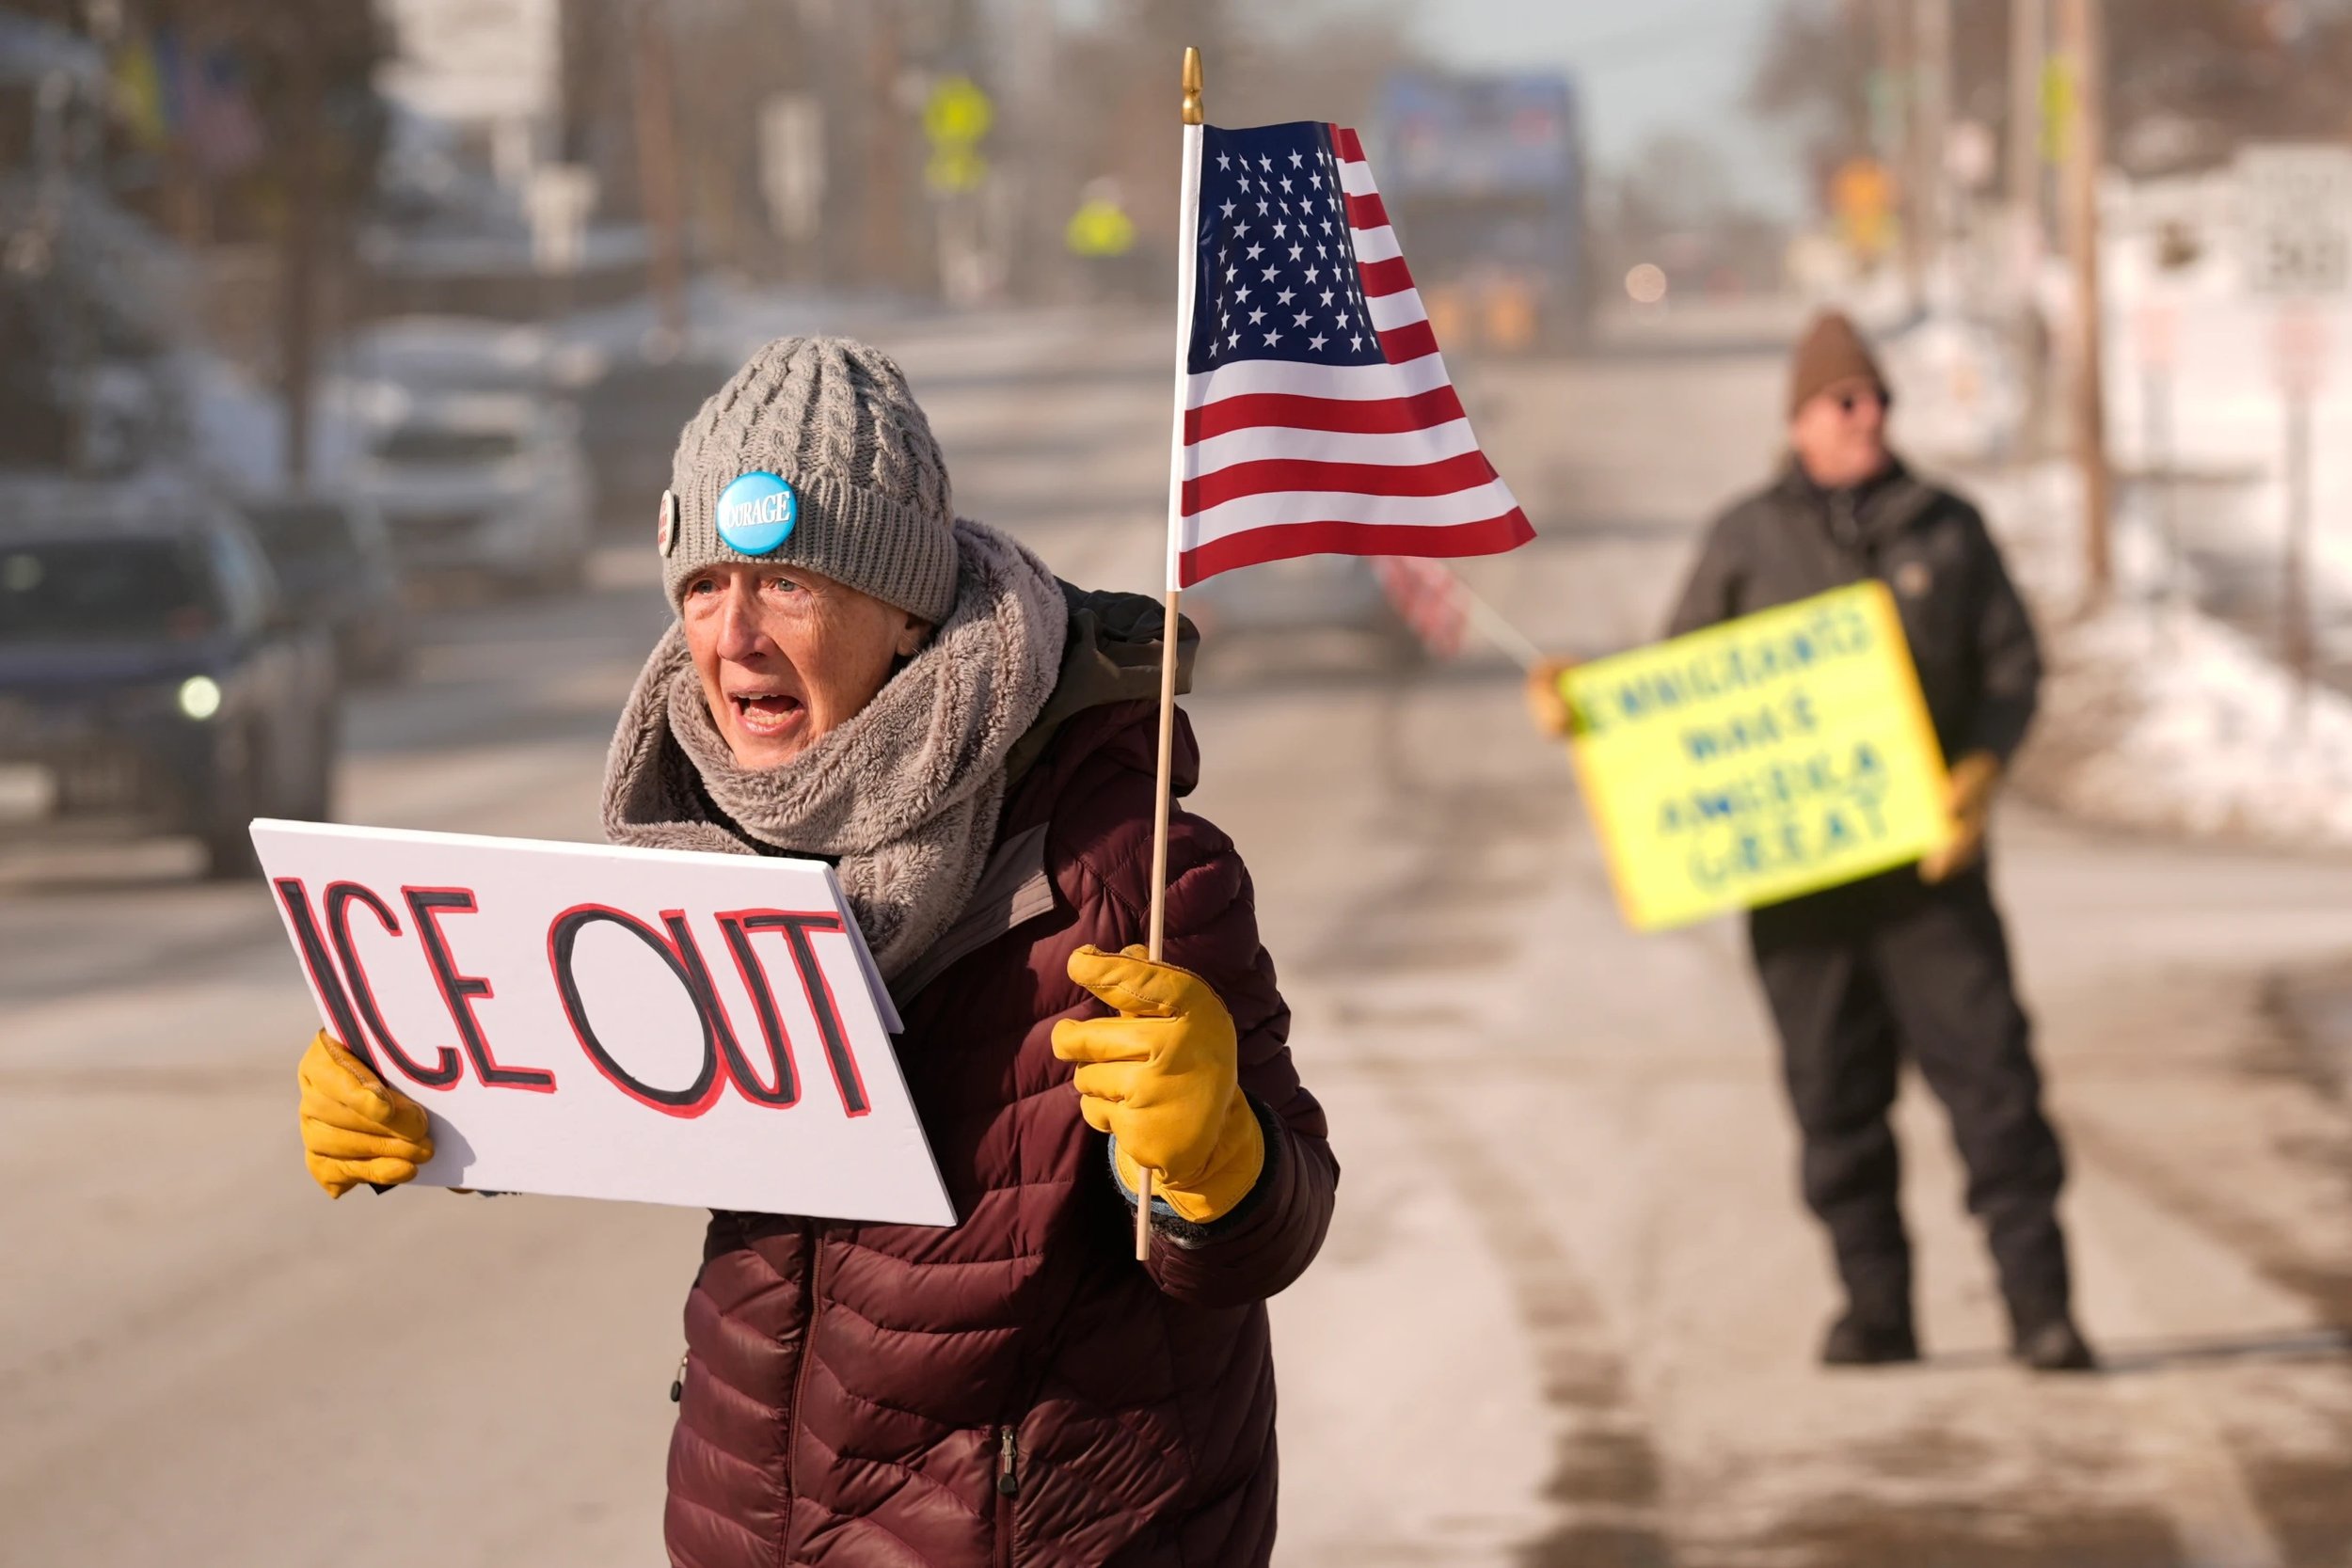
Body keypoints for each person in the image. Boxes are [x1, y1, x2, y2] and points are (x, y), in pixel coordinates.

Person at [293, 336, 1339, 1565]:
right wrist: (434, 1088)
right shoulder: (707, 835)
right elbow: (631, 1076)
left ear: (902, 611)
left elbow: (1275, 1226)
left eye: (787, 583)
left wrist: (1221, 1158)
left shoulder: (1120, 864)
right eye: (702, 587)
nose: (732, 638)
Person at [1528, 311, 2092, 1373]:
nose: (1869, 413)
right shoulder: (1746, 537)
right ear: (1800, 418)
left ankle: (2040, 1310)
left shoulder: (1948, 527)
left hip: (1933, 878)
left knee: (1993, 1088)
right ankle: (1875, 1309)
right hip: (1797, 886)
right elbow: (1678, 695)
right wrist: (1587, 707)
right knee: (1834, 1098)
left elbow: (2012, 671)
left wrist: (1979, 770)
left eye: (1877, 396)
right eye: (1847, 399)